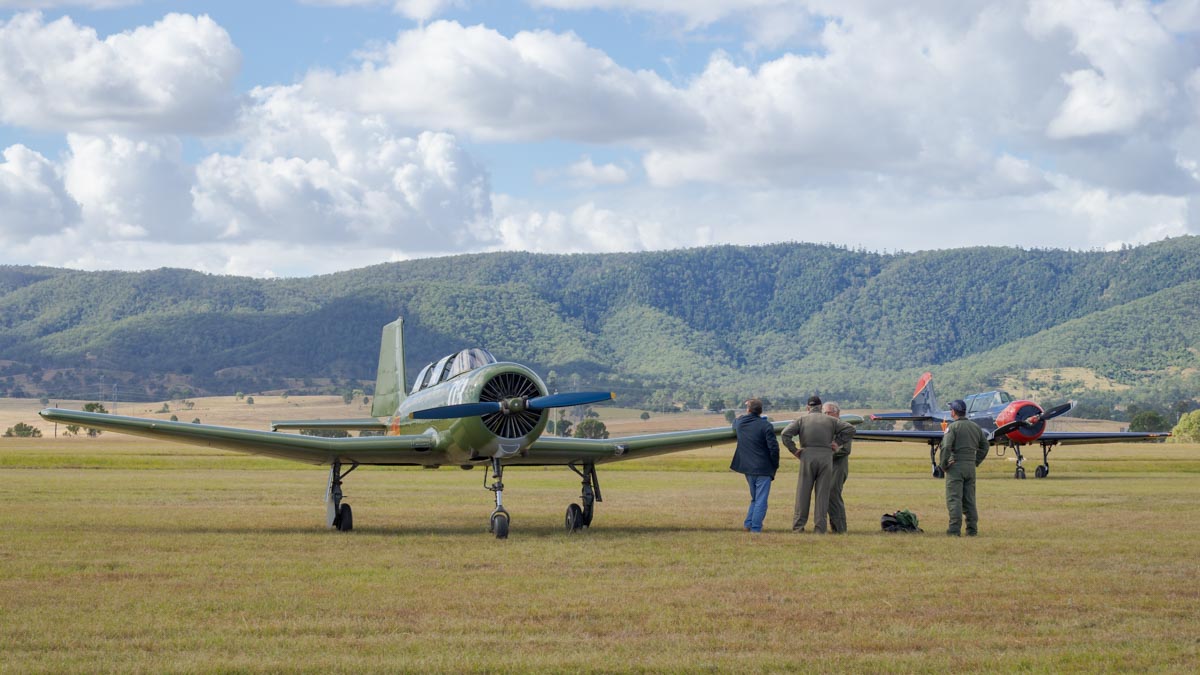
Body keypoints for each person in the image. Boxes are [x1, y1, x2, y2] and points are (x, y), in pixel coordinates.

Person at [782, 395, 855, 533]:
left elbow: (785, 434)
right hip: (826, 458)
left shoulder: (802, 420)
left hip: (807, 456)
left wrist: (795, 450)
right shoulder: (831, 420)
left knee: (803, 493)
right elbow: (850, 429)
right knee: (823, 494)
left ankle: (798, 527)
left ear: (808, 407)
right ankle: (820, 528)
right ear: (821, 407)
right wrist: (837, 443)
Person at [938, 399, 990, 536]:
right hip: (970, 467)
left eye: (951, 410)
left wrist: (943, 465)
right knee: (969, 499)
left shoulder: (953, 427)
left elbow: (946, 447)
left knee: (954, 498)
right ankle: (972, 530)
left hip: (956, 466)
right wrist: (975, 461)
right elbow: (985, 445)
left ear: (954, 412)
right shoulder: (975, 427)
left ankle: (954, 530)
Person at [729, 398, 780, 533]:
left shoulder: (740, 423)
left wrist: (740, 417)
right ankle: (756, 529)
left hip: (748, 468)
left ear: (748, 410)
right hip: (763, 468)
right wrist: (775, 464)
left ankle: (748, 524)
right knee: (761, 500)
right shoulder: (766, 426)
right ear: (761, 411)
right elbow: (774, 448)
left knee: (755, 498)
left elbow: (734, 422)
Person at [823, 402, 852, 533]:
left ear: (837, 413)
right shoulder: (825, 427)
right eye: (824, 413)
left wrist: (823, 453)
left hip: (838, 467)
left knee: (834, 495)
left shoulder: (843, 428)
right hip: (826, 467)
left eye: (829, 413)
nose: (826, 415)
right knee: (828, 496)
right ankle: (834, 527)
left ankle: (840, 528)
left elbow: (845, 449)